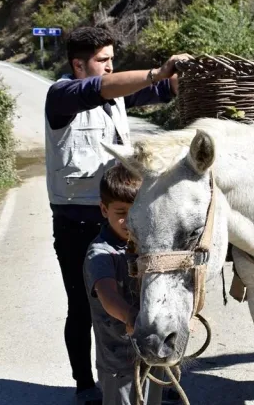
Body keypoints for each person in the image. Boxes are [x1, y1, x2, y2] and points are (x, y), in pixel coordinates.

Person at [44, 25, 191, 404]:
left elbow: (161, 90)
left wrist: (184, 76)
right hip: (77, 221)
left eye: (113, 60)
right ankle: (85, 386)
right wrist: (157, 71)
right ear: (78, 65)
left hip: (126, 217)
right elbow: (103, 88)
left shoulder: (116, 95)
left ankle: (161, 377)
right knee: (83, 305)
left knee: (150, 296)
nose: (110, 67)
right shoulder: (61, 96)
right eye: (102, 60)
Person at [83, 163, 175, 405]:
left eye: (136, 211)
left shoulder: (149, 244)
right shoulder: (100, 254)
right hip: (119, 361)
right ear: (104, 209)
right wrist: (132, 318)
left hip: (153, 349)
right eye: (121, 213)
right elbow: (108, 296)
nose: (129, 220)